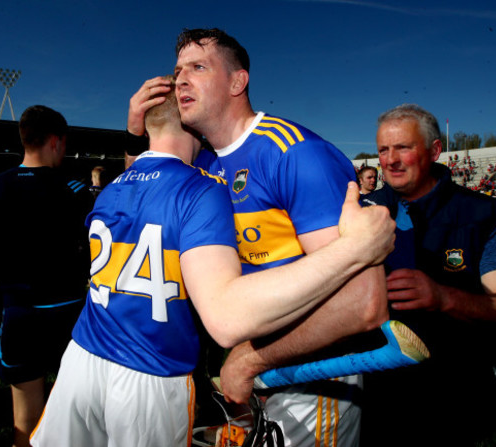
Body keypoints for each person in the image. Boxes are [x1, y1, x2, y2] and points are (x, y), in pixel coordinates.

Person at [30, 77, 395, 447]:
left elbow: (150, 169)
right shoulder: (200, 187)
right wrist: (354, 249)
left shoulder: (114, 189)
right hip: (160, 366)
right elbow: (224, 317)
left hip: (87, 352)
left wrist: (134, 131)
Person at [360, 104, 496, 446]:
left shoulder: (485, 215)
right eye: (383, 149)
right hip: (371, 392)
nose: (390, 160)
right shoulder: (359, 212)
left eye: (403, 148)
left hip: (453, 394)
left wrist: (443, 297)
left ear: (435, 150)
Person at [0, 105, 91, 447]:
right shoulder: (74, 191)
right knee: (79, 415)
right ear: (55, 141)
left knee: (25, 420)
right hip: (70, 314)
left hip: (18, 314)